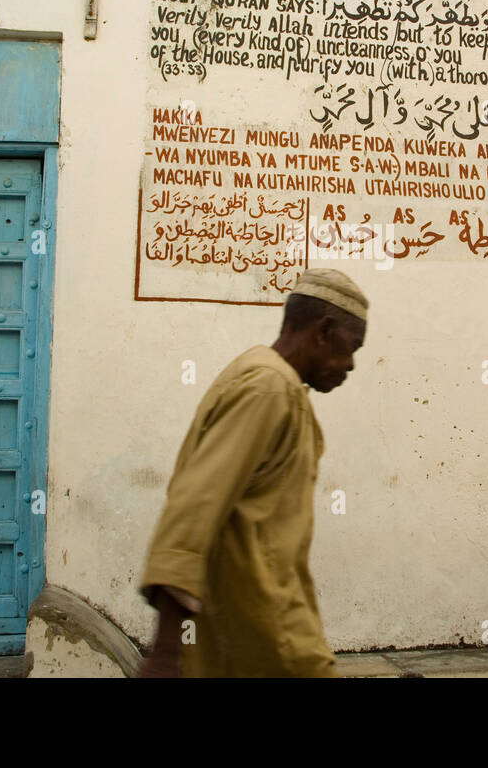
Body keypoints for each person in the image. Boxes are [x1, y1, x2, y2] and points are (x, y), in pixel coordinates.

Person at [136, 269, 368, 678]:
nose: (350, 364)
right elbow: (195, 507)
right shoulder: (269, 389)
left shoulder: (265, 377)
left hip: (256, 634)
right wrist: (167, 652)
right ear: (323, 331)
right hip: (271, 639)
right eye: (351, 347)